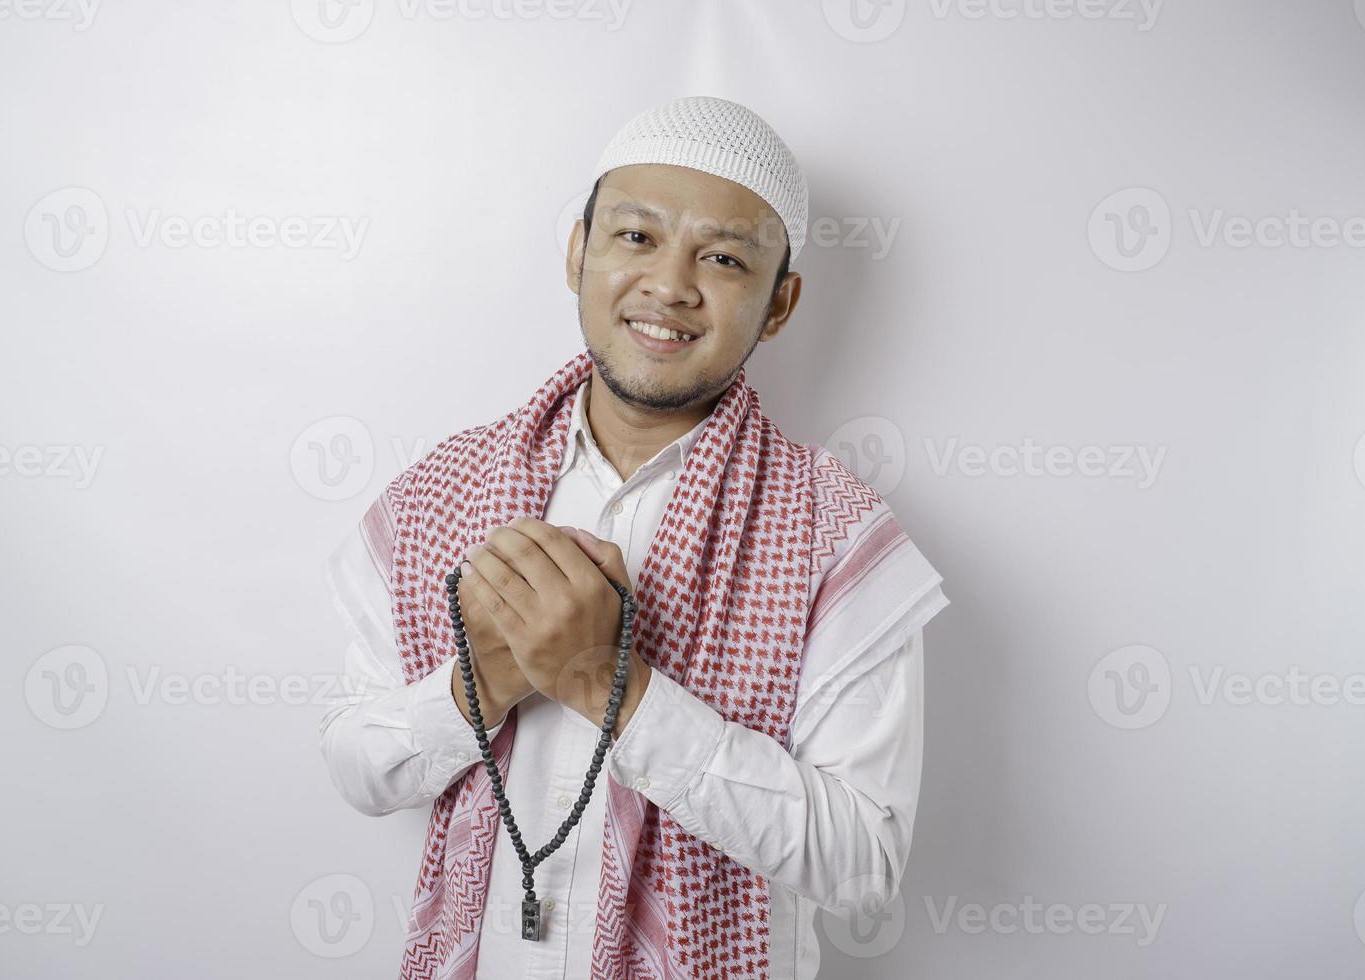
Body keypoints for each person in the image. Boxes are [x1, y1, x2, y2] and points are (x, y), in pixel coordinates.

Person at [319, 94, 949, 979]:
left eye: (724, 258)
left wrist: (604, 683)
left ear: (779, 304)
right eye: (636, 237)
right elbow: (358, 768)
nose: (670, 286)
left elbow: (863, 862)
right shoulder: (438, 492)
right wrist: (484, 681)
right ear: (578, 253)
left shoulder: (835, 534)